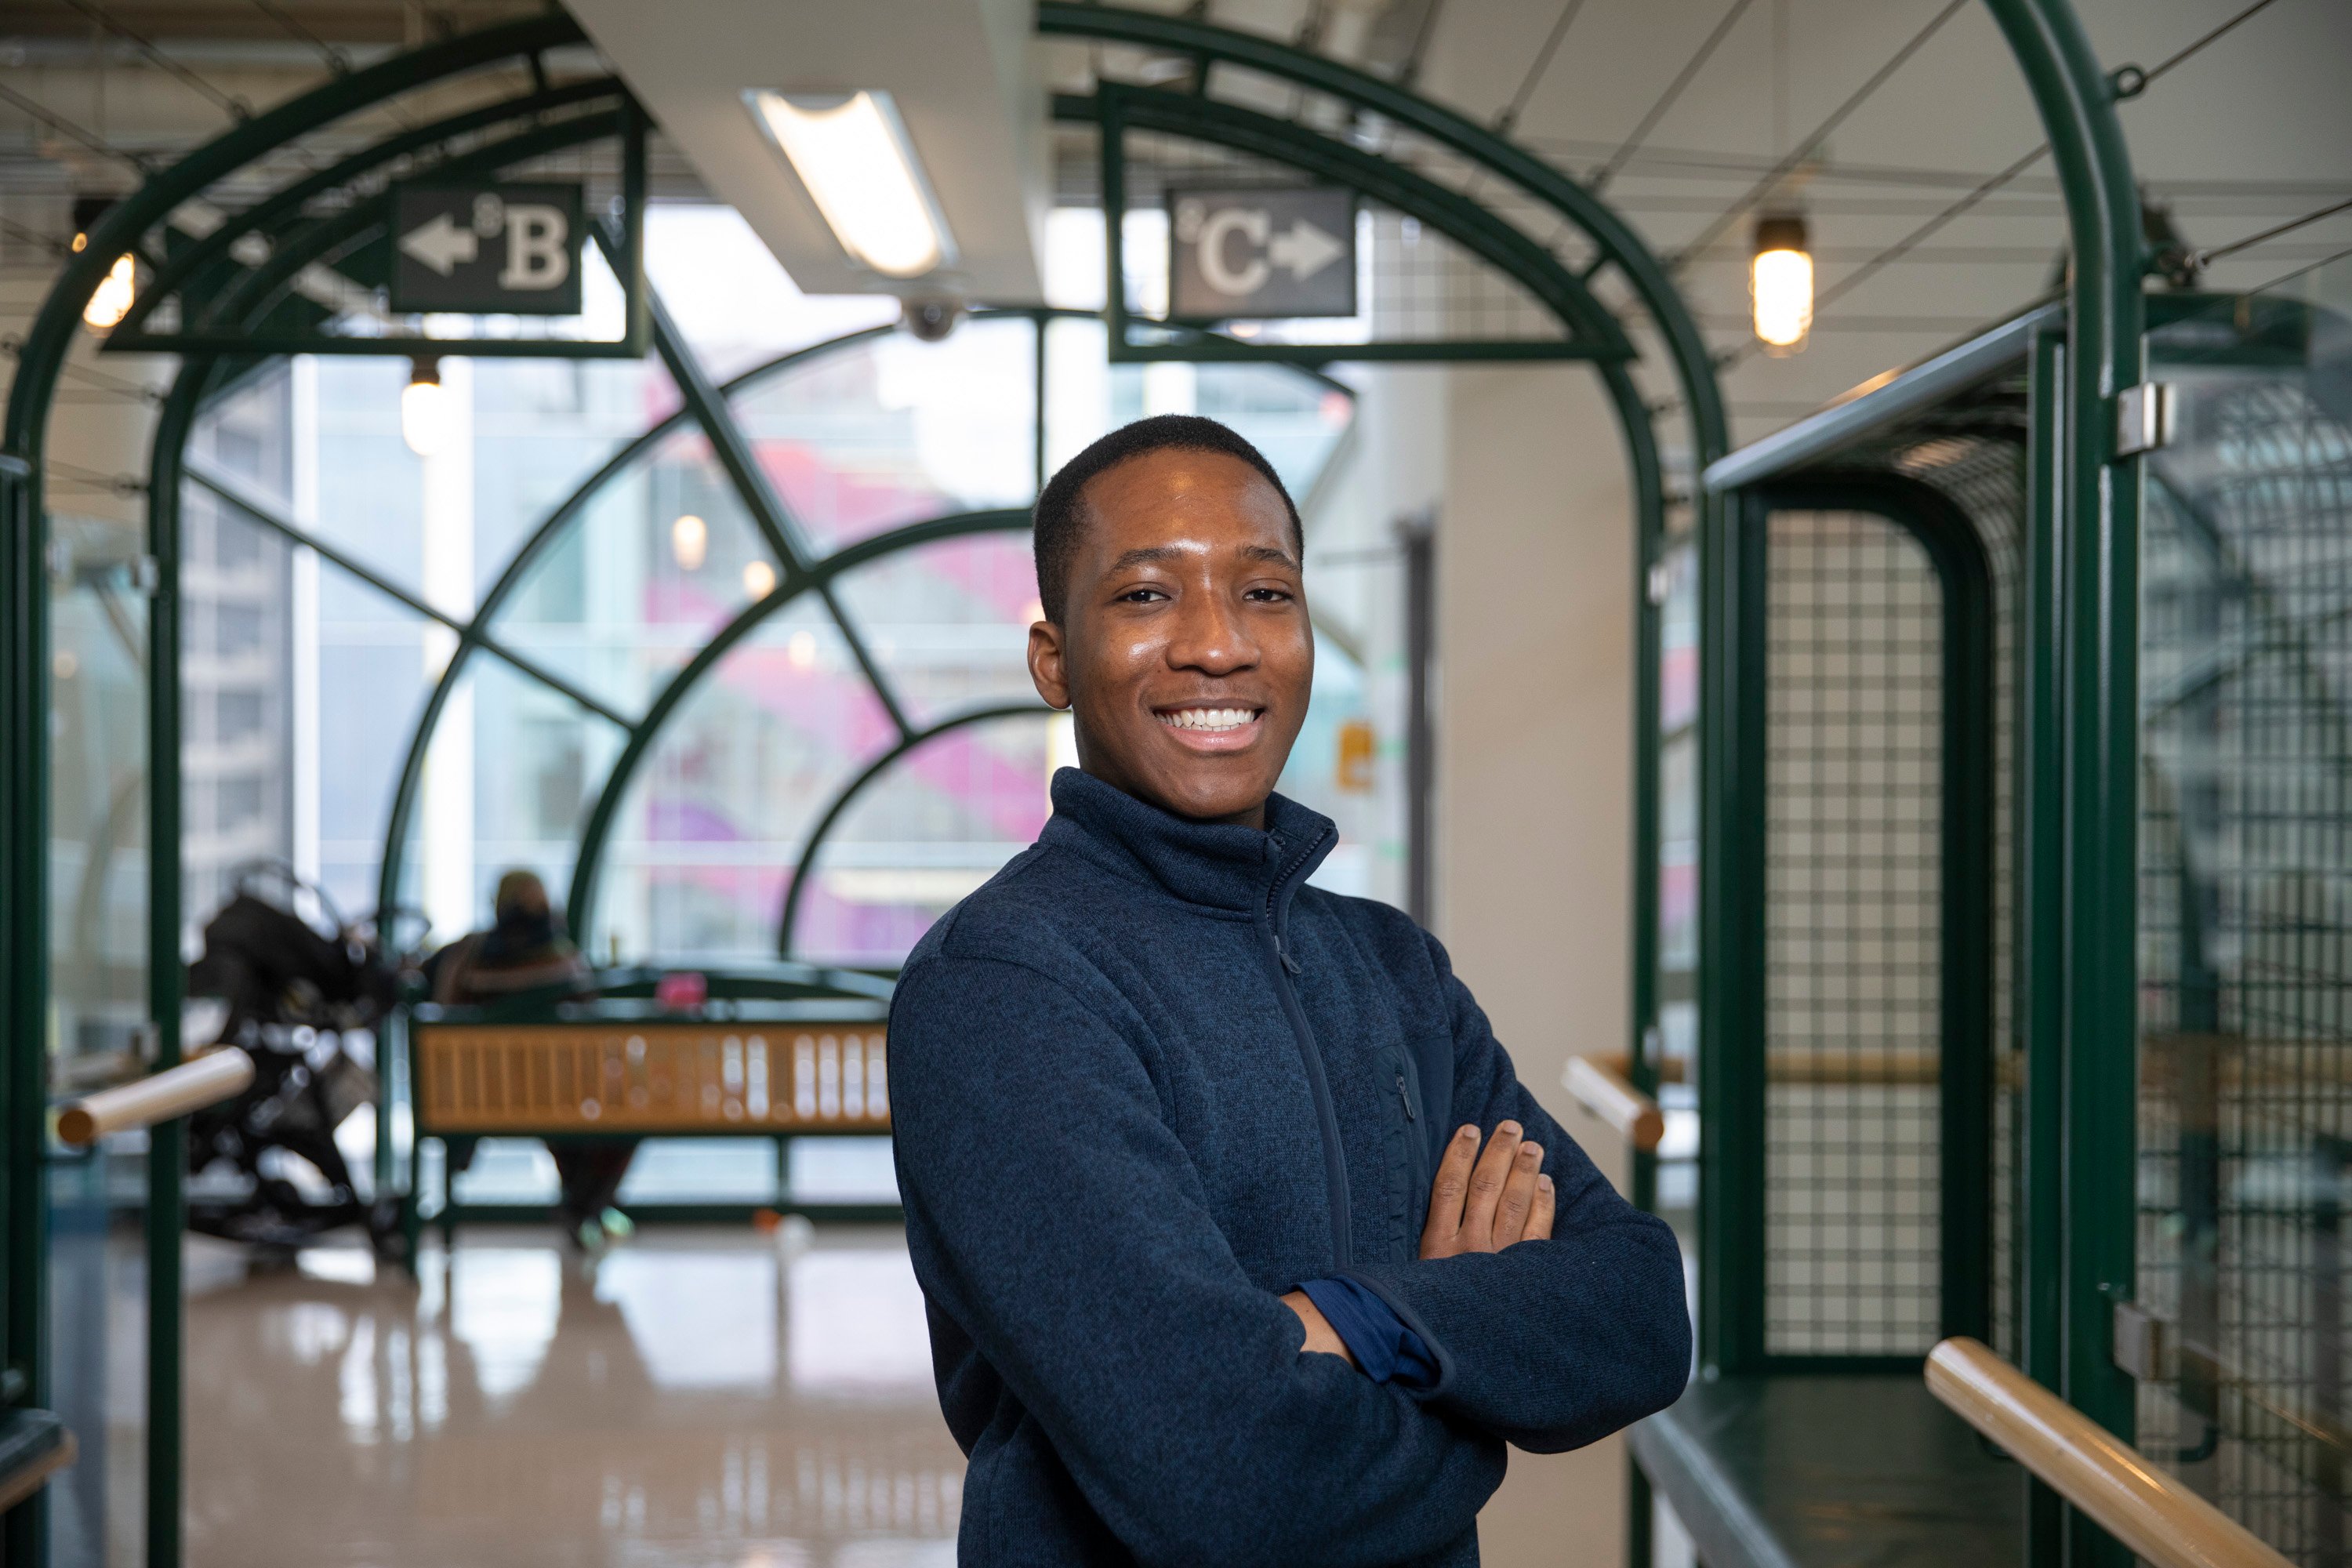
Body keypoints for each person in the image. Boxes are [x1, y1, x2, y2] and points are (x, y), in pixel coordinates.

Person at [887, 414, 1690, 1566]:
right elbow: (1222, 1473)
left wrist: (1360, 1321)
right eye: (1146, 597)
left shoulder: (1390, 969)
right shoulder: (1007, 987)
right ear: (1053, 657)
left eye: (1266, 593)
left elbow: (1640, 1310)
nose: (1220, 646)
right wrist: (1475, 1386)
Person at [430, 869, 626, 1250]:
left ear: (497, 905)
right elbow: (593, 1028)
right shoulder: (563, 962)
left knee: (558, 1098)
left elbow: (438, 997)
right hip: (556, 1100)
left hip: (473, 1101)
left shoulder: (467, 958)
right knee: (606, 1113)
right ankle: (583, 1203)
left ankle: (581, 1204)